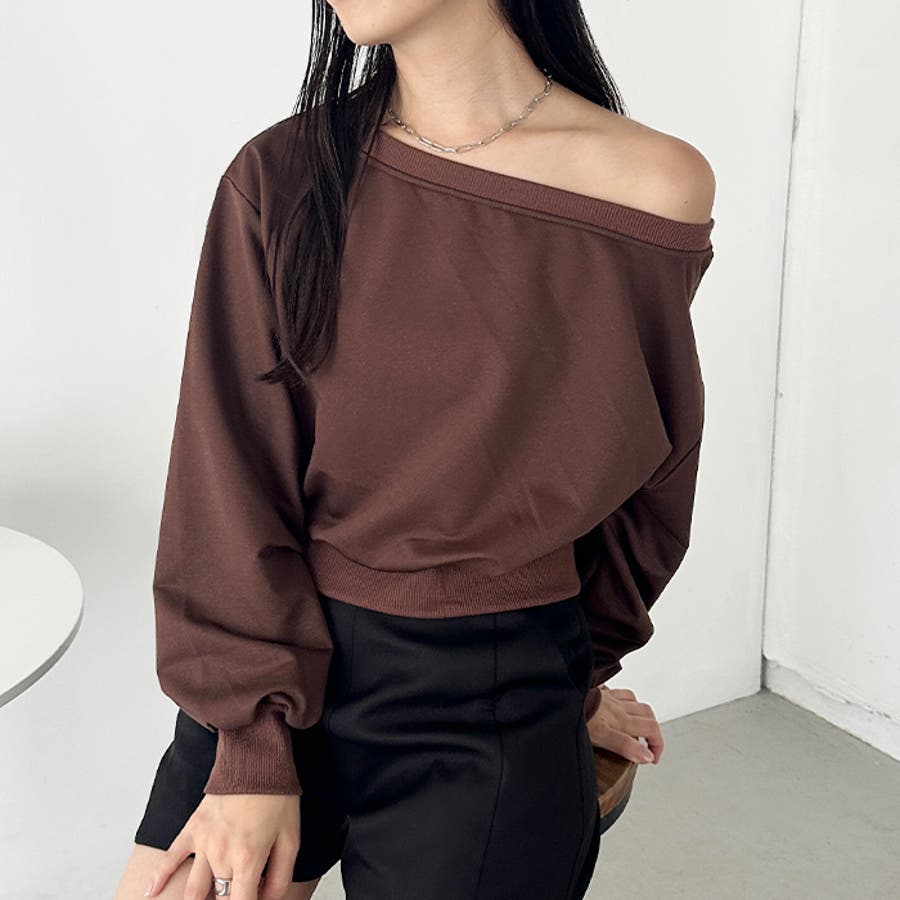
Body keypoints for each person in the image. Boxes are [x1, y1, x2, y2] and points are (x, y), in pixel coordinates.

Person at [114, 1, 716, 898]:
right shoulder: (282, 175)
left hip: (492, 701)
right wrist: (251, 747)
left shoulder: (649, 184)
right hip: (273, 665)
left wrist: (574, 679)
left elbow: (644, 474)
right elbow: (227, 474)